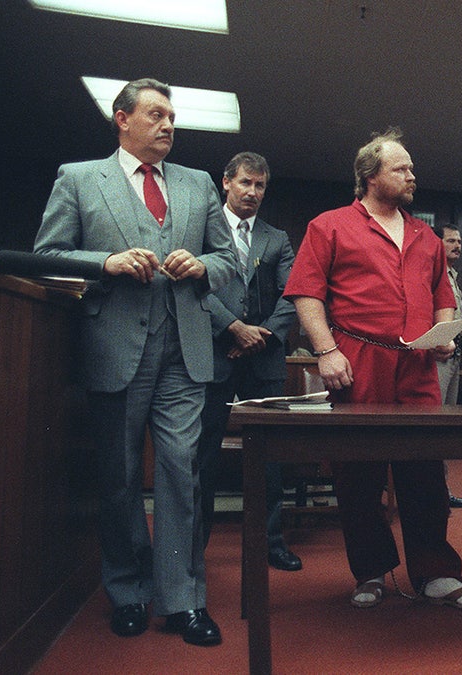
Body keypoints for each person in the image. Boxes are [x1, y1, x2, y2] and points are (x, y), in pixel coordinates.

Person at [33, 78, 235, 645]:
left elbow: (228, 261)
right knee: (119, 477)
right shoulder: (78, 179)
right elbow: (47, 255)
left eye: (172, 116)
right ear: (121, 119)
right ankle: (127, 590)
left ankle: (182, 601)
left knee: (178, 473)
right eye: (155, 114)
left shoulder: (197, 185)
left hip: (184, 352)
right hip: (115, 347)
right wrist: (107, 262)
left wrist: (202, 266)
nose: (168, 125)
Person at [283, 128, 462, 612]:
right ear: (369, 175)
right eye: (401, 168)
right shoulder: (329, 226)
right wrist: (326, 350)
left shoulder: (425, 236)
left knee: (426, 473)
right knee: (358, 473)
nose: (412, 175)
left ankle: (435, 573)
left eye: (411, 168)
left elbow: (443, 298)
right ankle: (372, 571)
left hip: (418, 367)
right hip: (357, 361)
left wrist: (444, 336)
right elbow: (306, 293)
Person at [196, 152, 303, 571]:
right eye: (245, 183)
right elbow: (194, 287)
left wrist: (262, 336)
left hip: (264, 359)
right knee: (201, 455)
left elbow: (294, 293)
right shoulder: (204, 232)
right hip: (215, 353)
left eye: (259, 186)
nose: (252, 193)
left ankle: (270, 542)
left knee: (269, 457)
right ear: (226, 183)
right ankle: (193, 548)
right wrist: (232, 328)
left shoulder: (277, 239)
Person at [434, 223, 462, 508]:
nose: (457, 245)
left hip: (455, 355)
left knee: (445, 425)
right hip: (438, 357)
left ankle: (441, 490)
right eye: (451, 241)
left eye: (459, 241)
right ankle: (433, 491)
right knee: (435, 423)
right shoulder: (434, 274)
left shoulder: (453, 276)